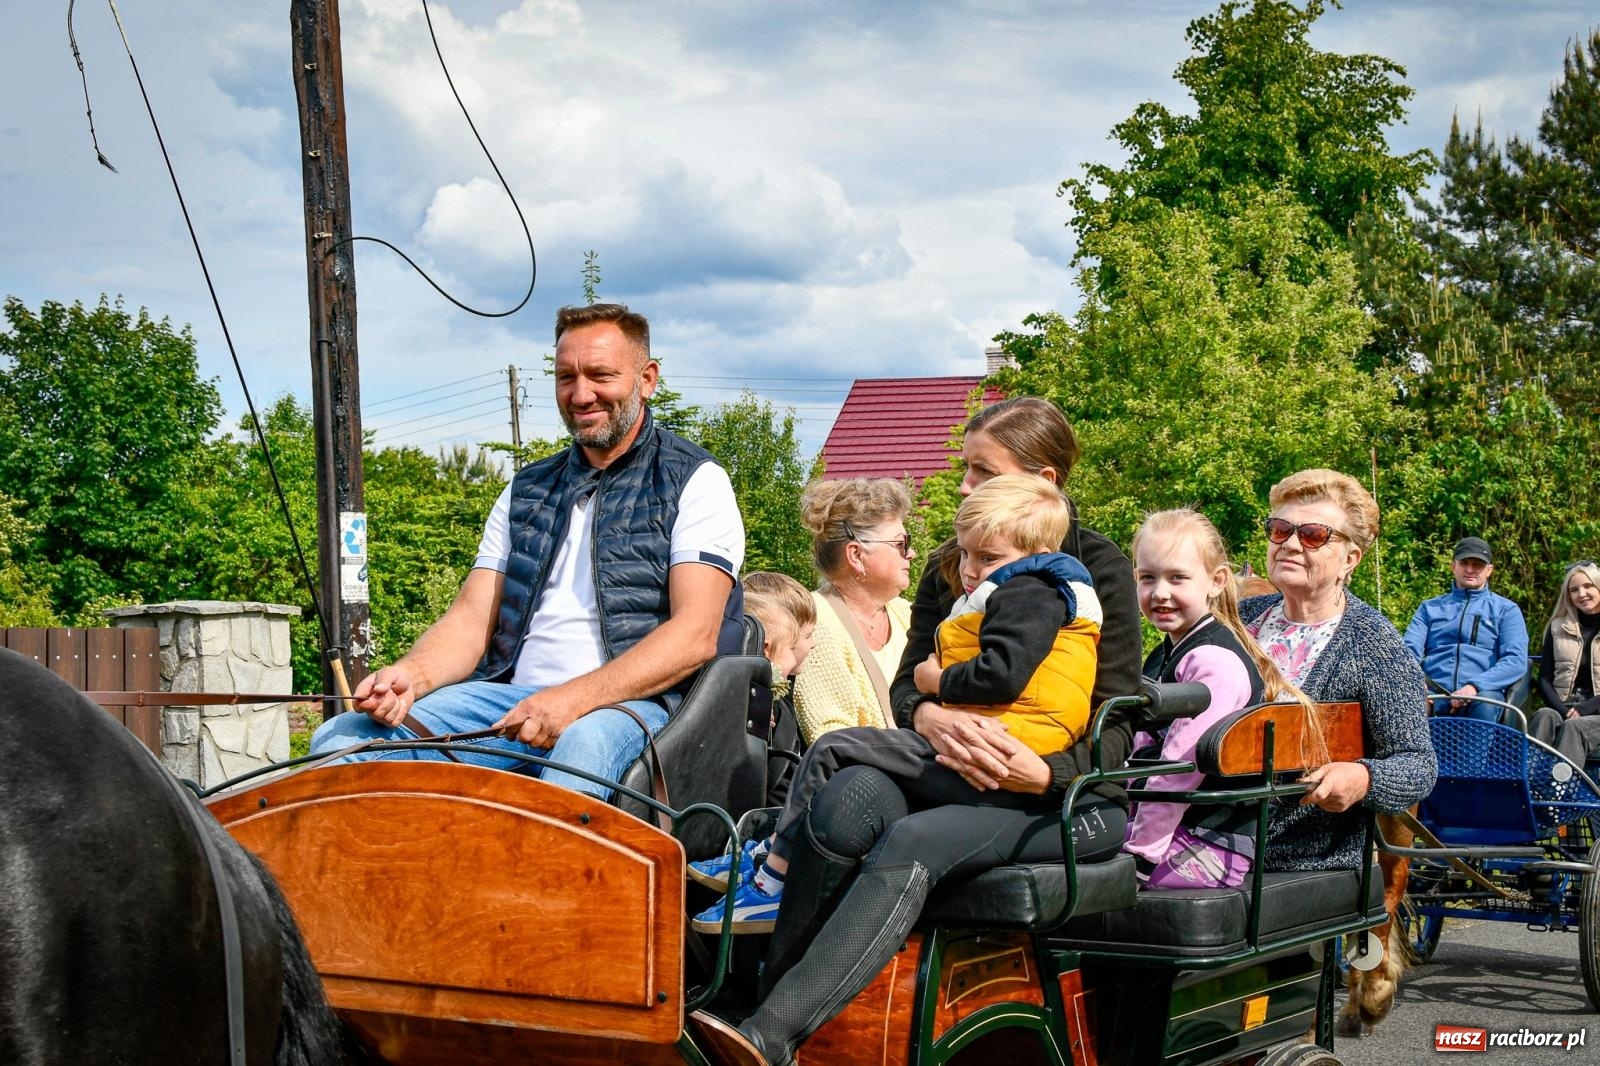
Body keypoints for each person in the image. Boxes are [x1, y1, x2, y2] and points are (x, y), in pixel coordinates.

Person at [718, 397, 1140, 1066]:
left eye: (982, 472)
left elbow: (1120, 718)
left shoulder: (1096, 570)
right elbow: (907, 684)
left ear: (1045, 481)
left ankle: (773, 1033)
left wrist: (1048, 773)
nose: (963, 486)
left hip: (1063, 795)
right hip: (954, 767)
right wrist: (930, 714)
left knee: (913, 838)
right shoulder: (958, 559)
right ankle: (756, 1009)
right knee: (848, 797)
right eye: (965, 468)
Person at [308, 304, 746, 800]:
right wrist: (413, 676)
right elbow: (471, 620)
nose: (581, 395)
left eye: (600, 375)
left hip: (635, 706)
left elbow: (694, 635)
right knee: (341, 741)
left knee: (583, 746)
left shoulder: (695, 480)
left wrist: (572, 699)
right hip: (508, 699)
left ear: (646, 379)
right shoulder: (527, 489)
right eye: (566, 378)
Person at [688, 474, 1102, 933]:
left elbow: (999, 675)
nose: (965, 569)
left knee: (835, 752)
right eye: (902, 543)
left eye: (985, 558)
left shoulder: (1021, 595)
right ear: (856, 554)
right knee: (838, 753)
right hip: (982, 740)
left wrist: (934, 683)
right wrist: (915, 716)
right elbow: (844, 718)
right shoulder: (831, 620)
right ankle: (775, 859)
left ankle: (772, 879)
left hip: (998, 743)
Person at [1240, 469, 1435, 873]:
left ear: (1350, 559)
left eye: (1313, 535)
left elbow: (1418, 765)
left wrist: (1362, 778)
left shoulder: (1373, 642)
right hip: (1199, 838)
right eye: (1279, 530)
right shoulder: (1237, 620)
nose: (1290, 544)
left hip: (1297, 863)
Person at [1124, 509, 1318, 889]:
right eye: (1148, 577)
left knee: (1072, 866)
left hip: (1207, 846)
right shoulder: (1167, 654)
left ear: (1216, 581)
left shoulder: (1213, 663)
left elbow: (1178, 770)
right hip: (1176, 831)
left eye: (1177, 577)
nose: (1160, 592)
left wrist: (1141, 855)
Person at [790, 478, 915, 742]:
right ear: (856, 555)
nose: (911, 553)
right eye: (901, 544)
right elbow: (831, 738)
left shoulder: (908, 614)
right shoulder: (816, 622)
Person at [1402, 536, 1529, 721]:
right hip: (1433, 693)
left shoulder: (1506, 610)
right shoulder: (1429, 608)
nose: (1470, 569)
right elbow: (1408, 652)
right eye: (1464, 563)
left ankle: (1477, 741)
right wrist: (1414, 680)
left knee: (1486, 702)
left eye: (1477, 564)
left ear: (1489, 570)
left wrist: (1474, 686)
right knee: (1408, 699)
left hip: (1482, 694)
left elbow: (1515, 660)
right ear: (1453, 566)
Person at [1527, 562, 1600, 766]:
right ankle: (1529, 780)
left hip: (1594, 712)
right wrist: (1564, 710)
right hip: (1564, 705)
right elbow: (1544, 680)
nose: (1581, 594)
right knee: (1543, 716)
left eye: (1588, 586)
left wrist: (1585, 709)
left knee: (1573, 727)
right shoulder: (1557, 627)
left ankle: (1561, 785)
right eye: (1574, 590)